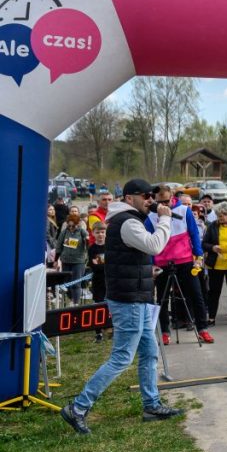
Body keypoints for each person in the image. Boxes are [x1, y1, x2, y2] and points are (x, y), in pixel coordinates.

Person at [61, 178, 183, 434]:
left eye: (152, 196)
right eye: (145, 196)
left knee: (149, 353)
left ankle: (151, 404)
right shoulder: (127, 222)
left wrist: (145, 271)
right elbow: (155, 245)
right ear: (130, 198)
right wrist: (164, 220)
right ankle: (78, 407)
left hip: (137, 296)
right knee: (122, 357)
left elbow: (133, 257)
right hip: (129, 301)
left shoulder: (130, 220)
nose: (150, 200)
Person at [148, 185, 213, 345]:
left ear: (172, 197)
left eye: (166, 201)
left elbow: (194, 233)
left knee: (196, 294)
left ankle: (202, 329)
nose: (163, 205)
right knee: (162, 298)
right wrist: (151, 263)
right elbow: (148, 241)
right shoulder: (151, 215)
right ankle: (165, 331)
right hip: (162, 261)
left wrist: (198, 256)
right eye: (160, 202)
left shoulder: (184, 210)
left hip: (184, 260)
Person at [55, 207, 89, 303]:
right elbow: (59, 246)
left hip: (78, 261)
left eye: (73, 226)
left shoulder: (82, 232)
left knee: (76, 283)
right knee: (67, 283)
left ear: (78, 224)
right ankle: (71, 299)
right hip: (65, 261)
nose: (70, 228)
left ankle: (76, 303)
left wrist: (87, 240)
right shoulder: (64, 232)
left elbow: (88, 242)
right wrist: (56, 260)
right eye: (69, 226)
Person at [88, 221, 108, 341]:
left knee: (111, 303)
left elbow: (113, 264)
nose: (100, 234)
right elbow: (94, 266)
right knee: (98, 304)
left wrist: (102, 264)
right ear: (93, 233)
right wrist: (105, 265)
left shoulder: (110, 246)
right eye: (98, 232)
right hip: (98, 280)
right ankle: (98, 331)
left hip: (110, 279)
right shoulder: (92, 249)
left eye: (102, 232)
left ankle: (111, 326)